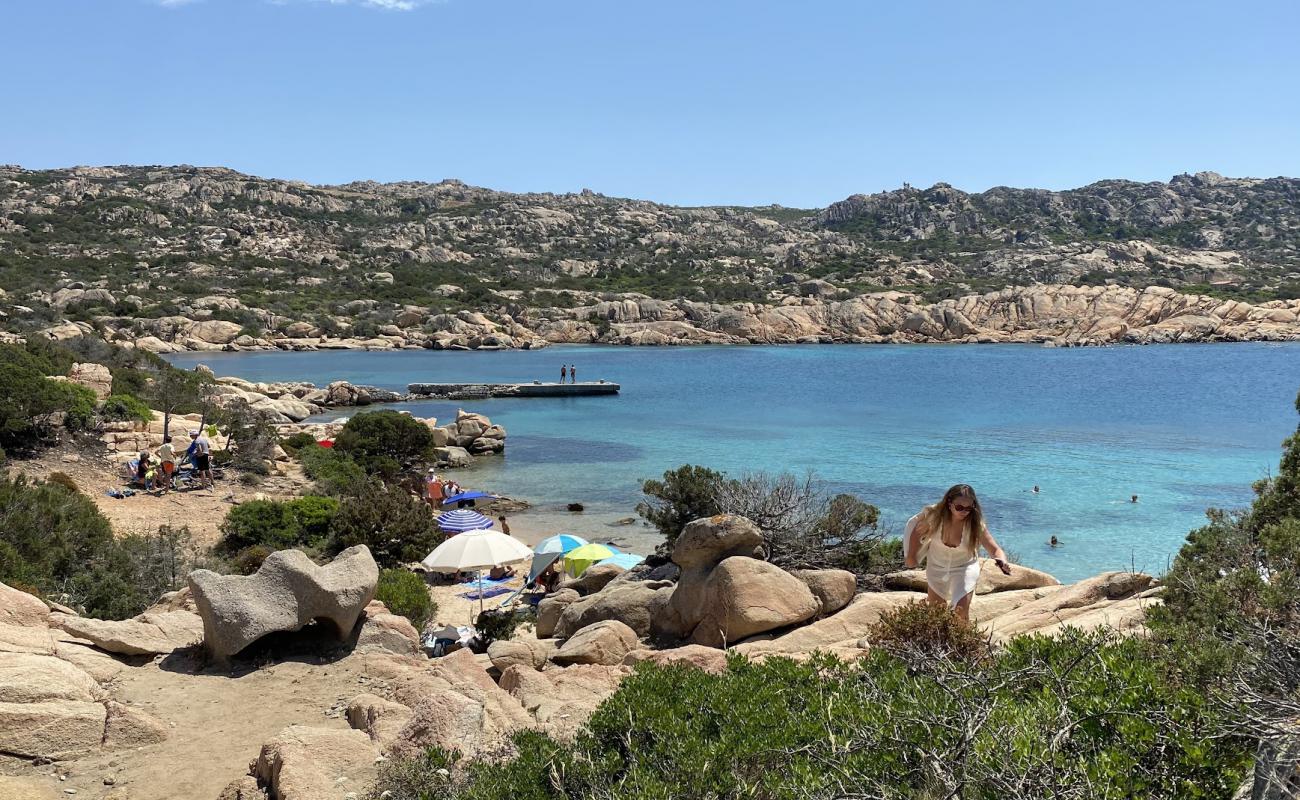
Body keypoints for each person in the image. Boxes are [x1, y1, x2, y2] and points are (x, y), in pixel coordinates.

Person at [904, 484, 1012, 623]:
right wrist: (912, 556)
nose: (964, 511)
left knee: (960, 614)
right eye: (959, 507)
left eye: (969, 508)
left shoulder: (975, 524)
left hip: (965, 568)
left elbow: (994, 549)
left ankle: (964, 644)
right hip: (936, 567)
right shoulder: (934, 516)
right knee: (936, 614)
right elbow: (917, 532)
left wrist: (1002, 560)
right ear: (949, 503)